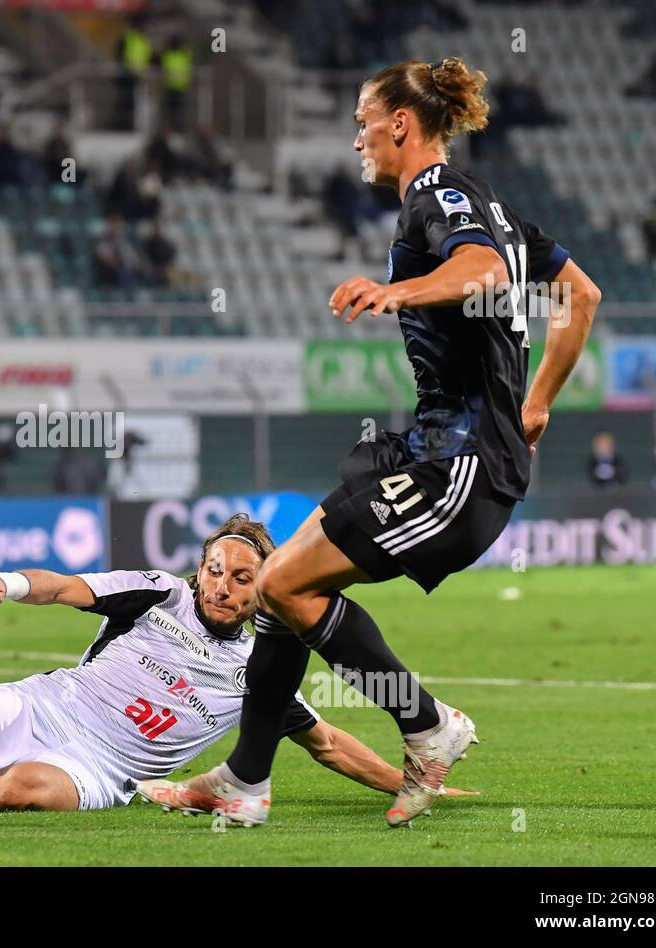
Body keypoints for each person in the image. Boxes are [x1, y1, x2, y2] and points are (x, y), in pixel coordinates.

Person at [145, 57, 601, 828]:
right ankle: (246, 781)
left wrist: (397, 290)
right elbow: (580, 296)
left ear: (401, 123)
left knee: (285, 588)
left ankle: (427, 727)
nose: (356, 136)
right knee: (279, 588)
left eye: (363, 120)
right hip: (425, 448)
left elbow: (485, 270)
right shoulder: (497, 211)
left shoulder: (438, 194)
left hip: (460, 467)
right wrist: (539, 404)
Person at [0, 516, 478, 813]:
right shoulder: (156, 594)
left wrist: (417, 779)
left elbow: (329, 745)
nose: (224, 585)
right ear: (201, 567)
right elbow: (65, 588)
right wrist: (6, 582)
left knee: (36, 791)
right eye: (216, 569)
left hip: (98, 771)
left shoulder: (266, 665)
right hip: (37, 706)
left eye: (243, 579)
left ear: (263, 591)